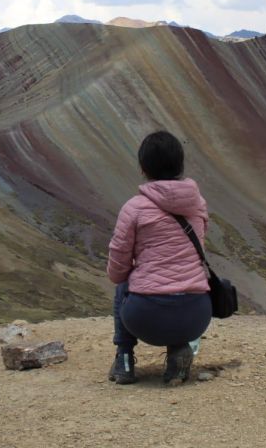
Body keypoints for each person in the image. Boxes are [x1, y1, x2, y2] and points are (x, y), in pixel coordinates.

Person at [106, 130, 212, 386]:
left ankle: (125, 359)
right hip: (196, 315)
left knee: (124, 284)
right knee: (182, 278)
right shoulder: (197, 204)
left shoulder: (134, 208)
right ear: (180, 165)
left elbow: (117, 269)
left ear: (143, 168)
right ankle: (178, 350)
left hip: (146, 318)